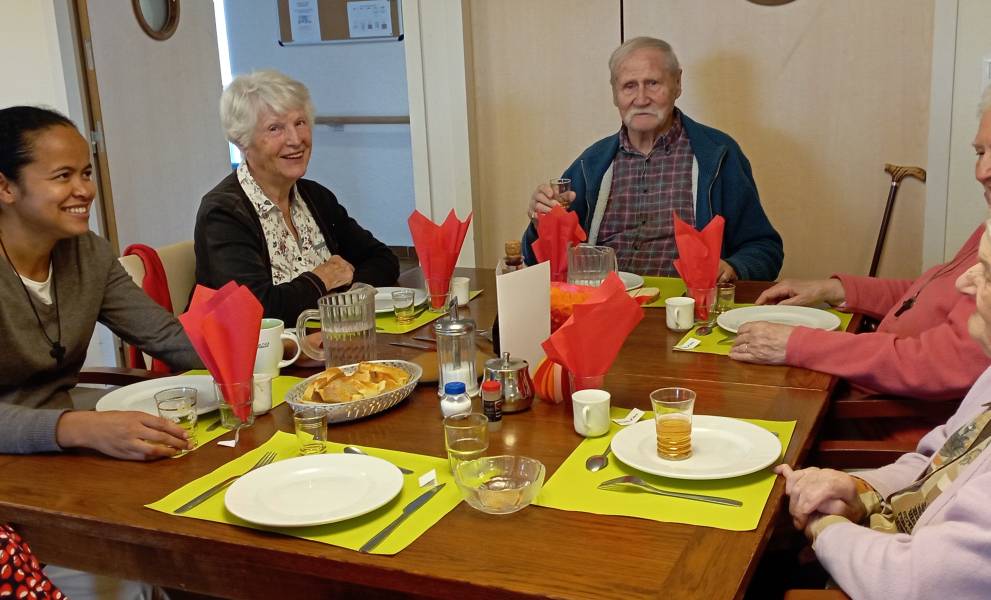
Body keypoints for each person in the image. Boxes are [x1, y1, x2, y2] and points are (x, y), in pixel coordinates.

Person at [774, 216, 991, 599]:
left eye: (987, 273)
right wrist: (861, 491)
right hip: (880, 540)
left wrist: (824, 530)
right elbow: (937, 460)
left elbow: (921, 582)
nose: (964, 283)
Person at [729, 87, 991, 401]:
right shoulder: (986, 231)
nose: (981, 172)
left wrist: (796, 344)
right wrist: (835, 289)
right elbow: (923, 296)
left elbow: (939, 365)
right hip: (868, 386)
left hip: (882, 420)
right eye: (980, 153)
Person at [0, 106, 200, 458]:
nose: (84, 190)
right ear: (5, 188)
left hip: (65, 449)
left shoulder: (87, 253)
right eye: (63, 176)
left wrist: (273, 349)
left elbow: (165, 336)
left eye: (86, 173)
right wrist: (78, 427)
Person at [521, 36, 783, 282]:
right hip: (603, 308)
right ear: (615, 94)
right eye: (629, 86)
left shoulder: (718, 155)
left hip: (685, 309)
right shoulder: (591, 164)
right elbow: (540, 262)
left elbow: (765, 249)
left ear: (677, 84)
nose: (641, 98)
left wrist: (733, 267)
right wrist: (541, 223)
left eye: (653, 83)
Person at [195, 70, 399, 324]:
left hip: (331, 343)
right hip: (269, 360)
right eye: (275, 128)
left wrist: (344, 296)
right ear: (242, 141)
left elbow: (383, 259)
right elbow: (259, 310)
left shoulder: (315, 196)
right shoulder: (223, 213)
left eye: (300, 123)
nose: (295, 140)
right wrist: (322, 280)